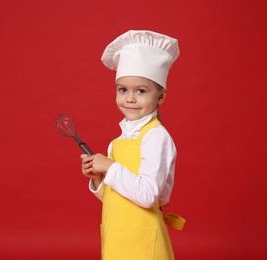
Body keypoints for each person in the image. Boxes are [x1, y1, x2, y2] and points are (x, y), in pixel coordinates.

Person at [80, 30, 185, 260]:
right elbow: (118, 197)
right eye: (123, 89)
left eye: (141, 91)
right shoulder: (116, 143)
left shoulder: (156, 137)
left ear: (160, 96)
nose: (130, 98)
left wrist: (109, 167)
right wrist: (97, 180)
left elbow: (146, 195)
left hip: (143, 245)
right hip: (117, 239)